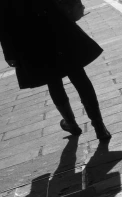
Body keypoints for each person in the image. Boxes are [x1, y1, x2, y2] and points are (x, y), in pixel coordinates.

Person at [0, 0, 111, 140]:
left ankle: (71, 123)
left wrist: (9, 53)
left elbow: (3, 19)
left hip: (30, 38)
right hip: (58, 26)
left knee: (53, 81)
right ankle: (99, 127)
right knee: (79, 76)